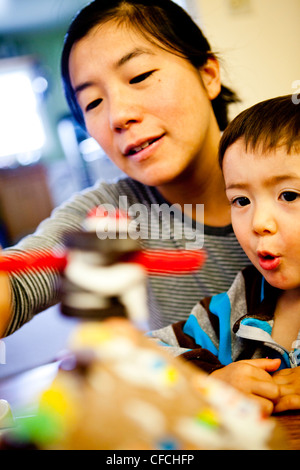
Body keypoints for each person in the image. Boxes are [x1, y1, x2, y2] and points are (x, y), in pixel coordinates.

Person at [0, 0, 250, 337]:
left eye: (140, 76)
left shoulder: (287, 166)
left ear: (208, 75)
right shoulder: (115, 213)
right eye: (93, 103)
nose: (118, 115)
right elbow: (16, 285)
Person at [149, 95, 300, 415]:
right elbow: (139, 355)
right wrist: (208, 381)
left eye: (289, 195)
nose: (259, 223)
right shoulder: (236, 303)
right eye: (241, 200)